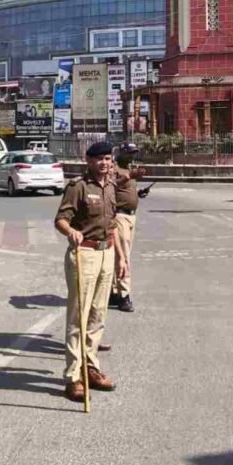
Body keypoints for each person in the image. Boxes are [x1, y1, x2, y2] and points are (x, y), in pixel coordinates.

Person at [54, 141, 128, 402]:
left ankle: (90, 368)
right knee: (79, 317)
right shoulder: (78, 187)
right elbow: (61, 219)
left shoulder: (110, 186)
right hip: (84, 253)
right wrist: (71, 231)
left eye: (108, 159)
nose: (105, 163)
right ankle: (73, 377)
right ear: (88, 160)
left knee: (98, 315)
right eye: (99, 159)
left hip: (107, 252)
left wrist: (121, 258)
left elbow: (113, 225)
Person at [109, 142, 147, 312]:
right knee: (123, 256)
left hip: (131, 216)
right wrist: (129, 176)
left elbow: (126, 190)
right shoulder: (114, 168)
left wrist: (139, 194)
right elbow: (111, 185)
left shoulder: (129, 169)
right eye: (129, 153)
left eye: (134, 153)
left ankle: (114, 291)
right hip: (119, 216)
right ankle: (124, 295)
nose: (132, 156)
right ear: (121, 153)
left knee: (122, 255)